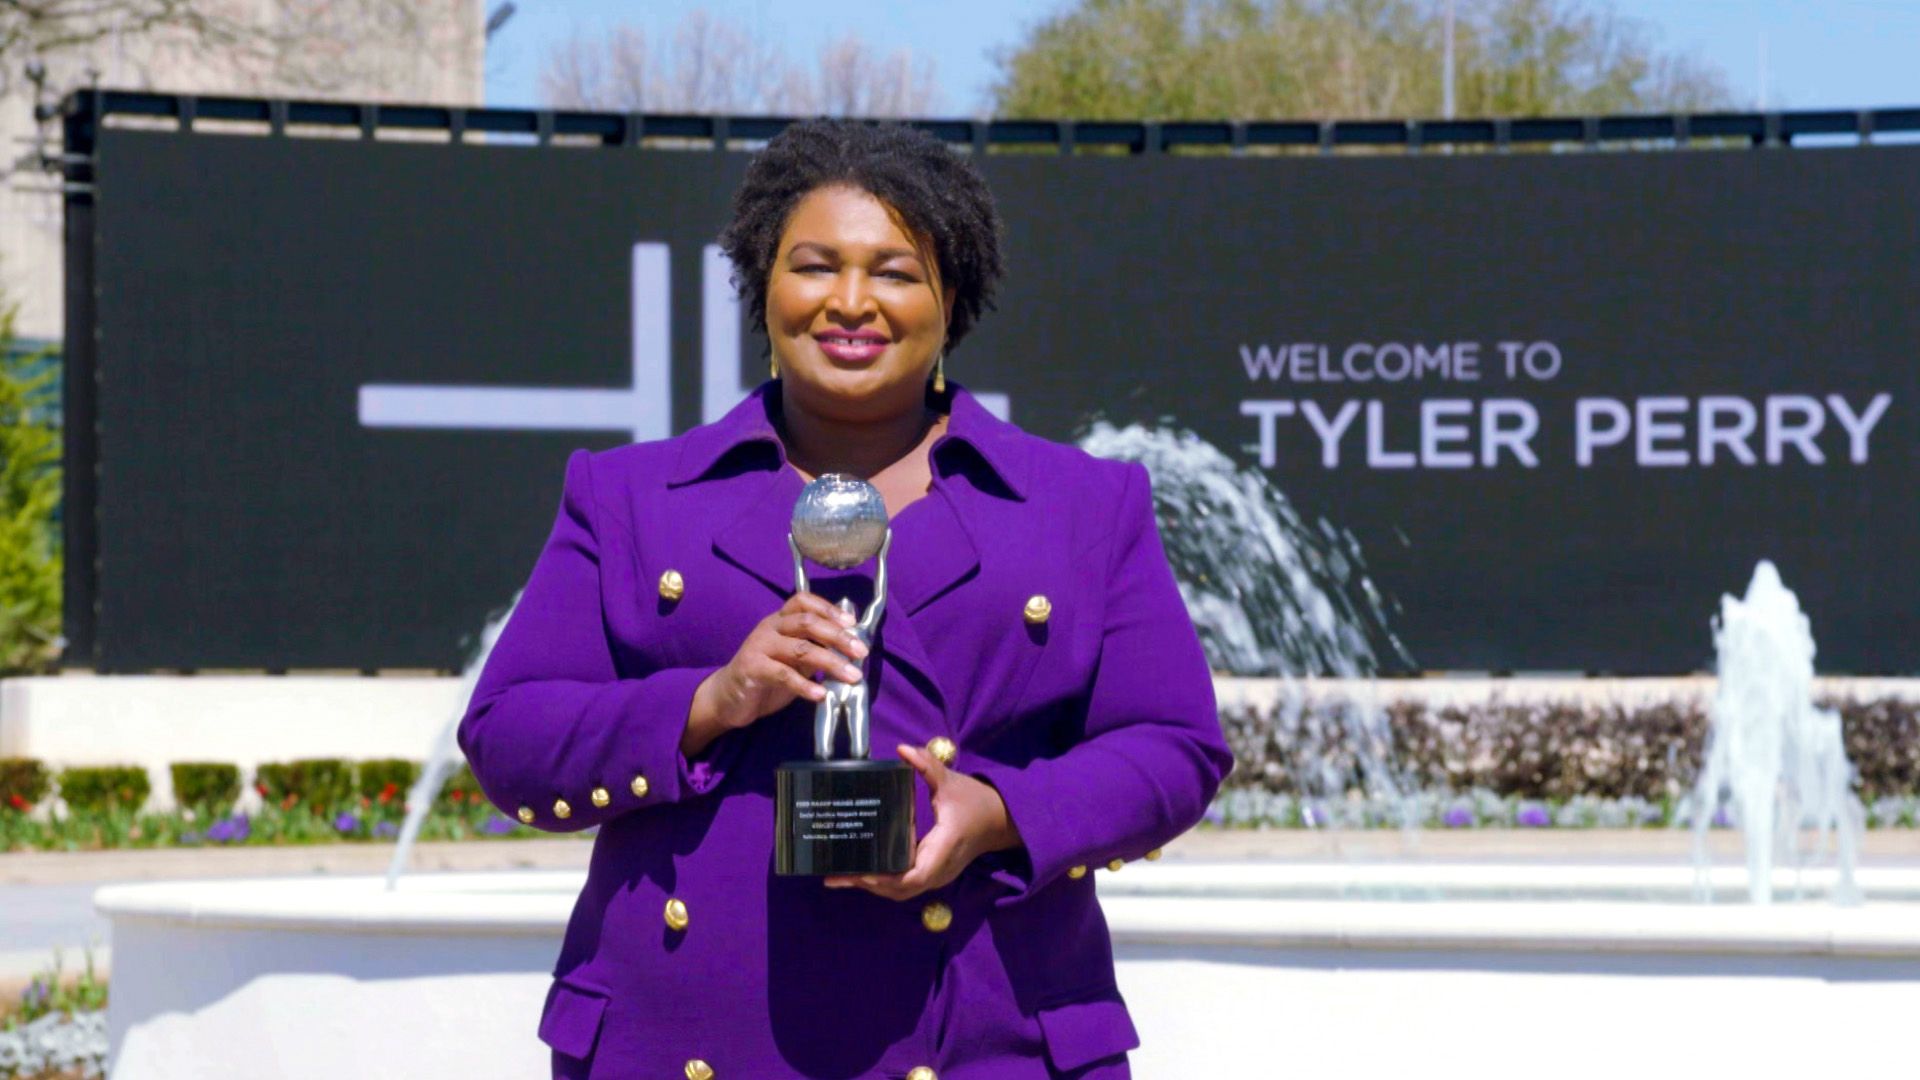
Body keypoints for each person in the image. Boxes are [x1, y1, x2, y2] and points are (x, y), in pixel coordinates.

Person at [459, 119, 1232, 1080]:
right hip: (691, 1042)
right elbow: (507, 736)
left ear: (954, 298)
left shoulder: (1083, 504)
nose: (852, 302)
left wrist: (996, 813)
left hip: (987, 1040)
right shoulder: (628, 498)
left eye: (897, 272)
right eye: (815, 266)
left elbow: (1175, 746)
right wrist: (710, 703)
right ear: (762, 283)